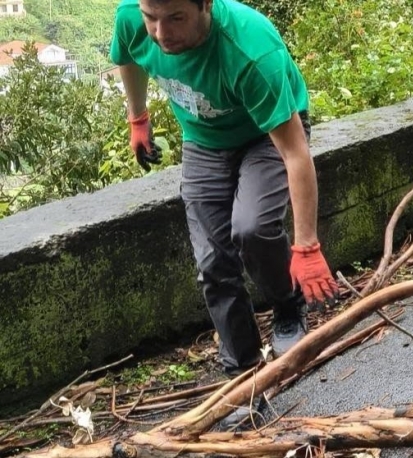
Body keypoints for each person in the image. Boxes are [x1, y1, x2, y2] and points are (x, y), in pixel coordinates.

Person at [109, 0, 339, 376]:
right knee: (213, 260)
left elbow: (296, 154)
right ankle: (242, 368)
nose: (161, 34)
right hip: (204, 139)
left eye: (176, 19)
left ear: (206, 5)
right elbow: (129, 57)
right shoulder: (132, 20)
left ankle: (287, 306)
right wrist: (138, 118)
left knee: (253, 227)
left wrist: (307, 248)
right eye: (152, 18)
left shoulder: (250, 50)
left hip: (268, 136)